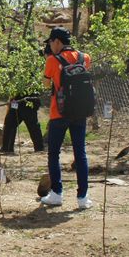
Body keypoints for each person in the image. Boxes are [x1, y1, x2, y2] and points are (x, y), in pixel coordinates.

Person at [40, 27, 92, 209]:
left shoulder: (53, 60)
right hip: (80, 112)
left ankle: (56, 194)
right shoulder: (84, 57)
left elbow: (46, 84)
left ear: (57, 41)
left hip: (59, 113)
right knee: (80, 153)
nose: (50, 46)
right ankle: (83, 198)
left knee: (54, 153)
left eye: (51, 42)